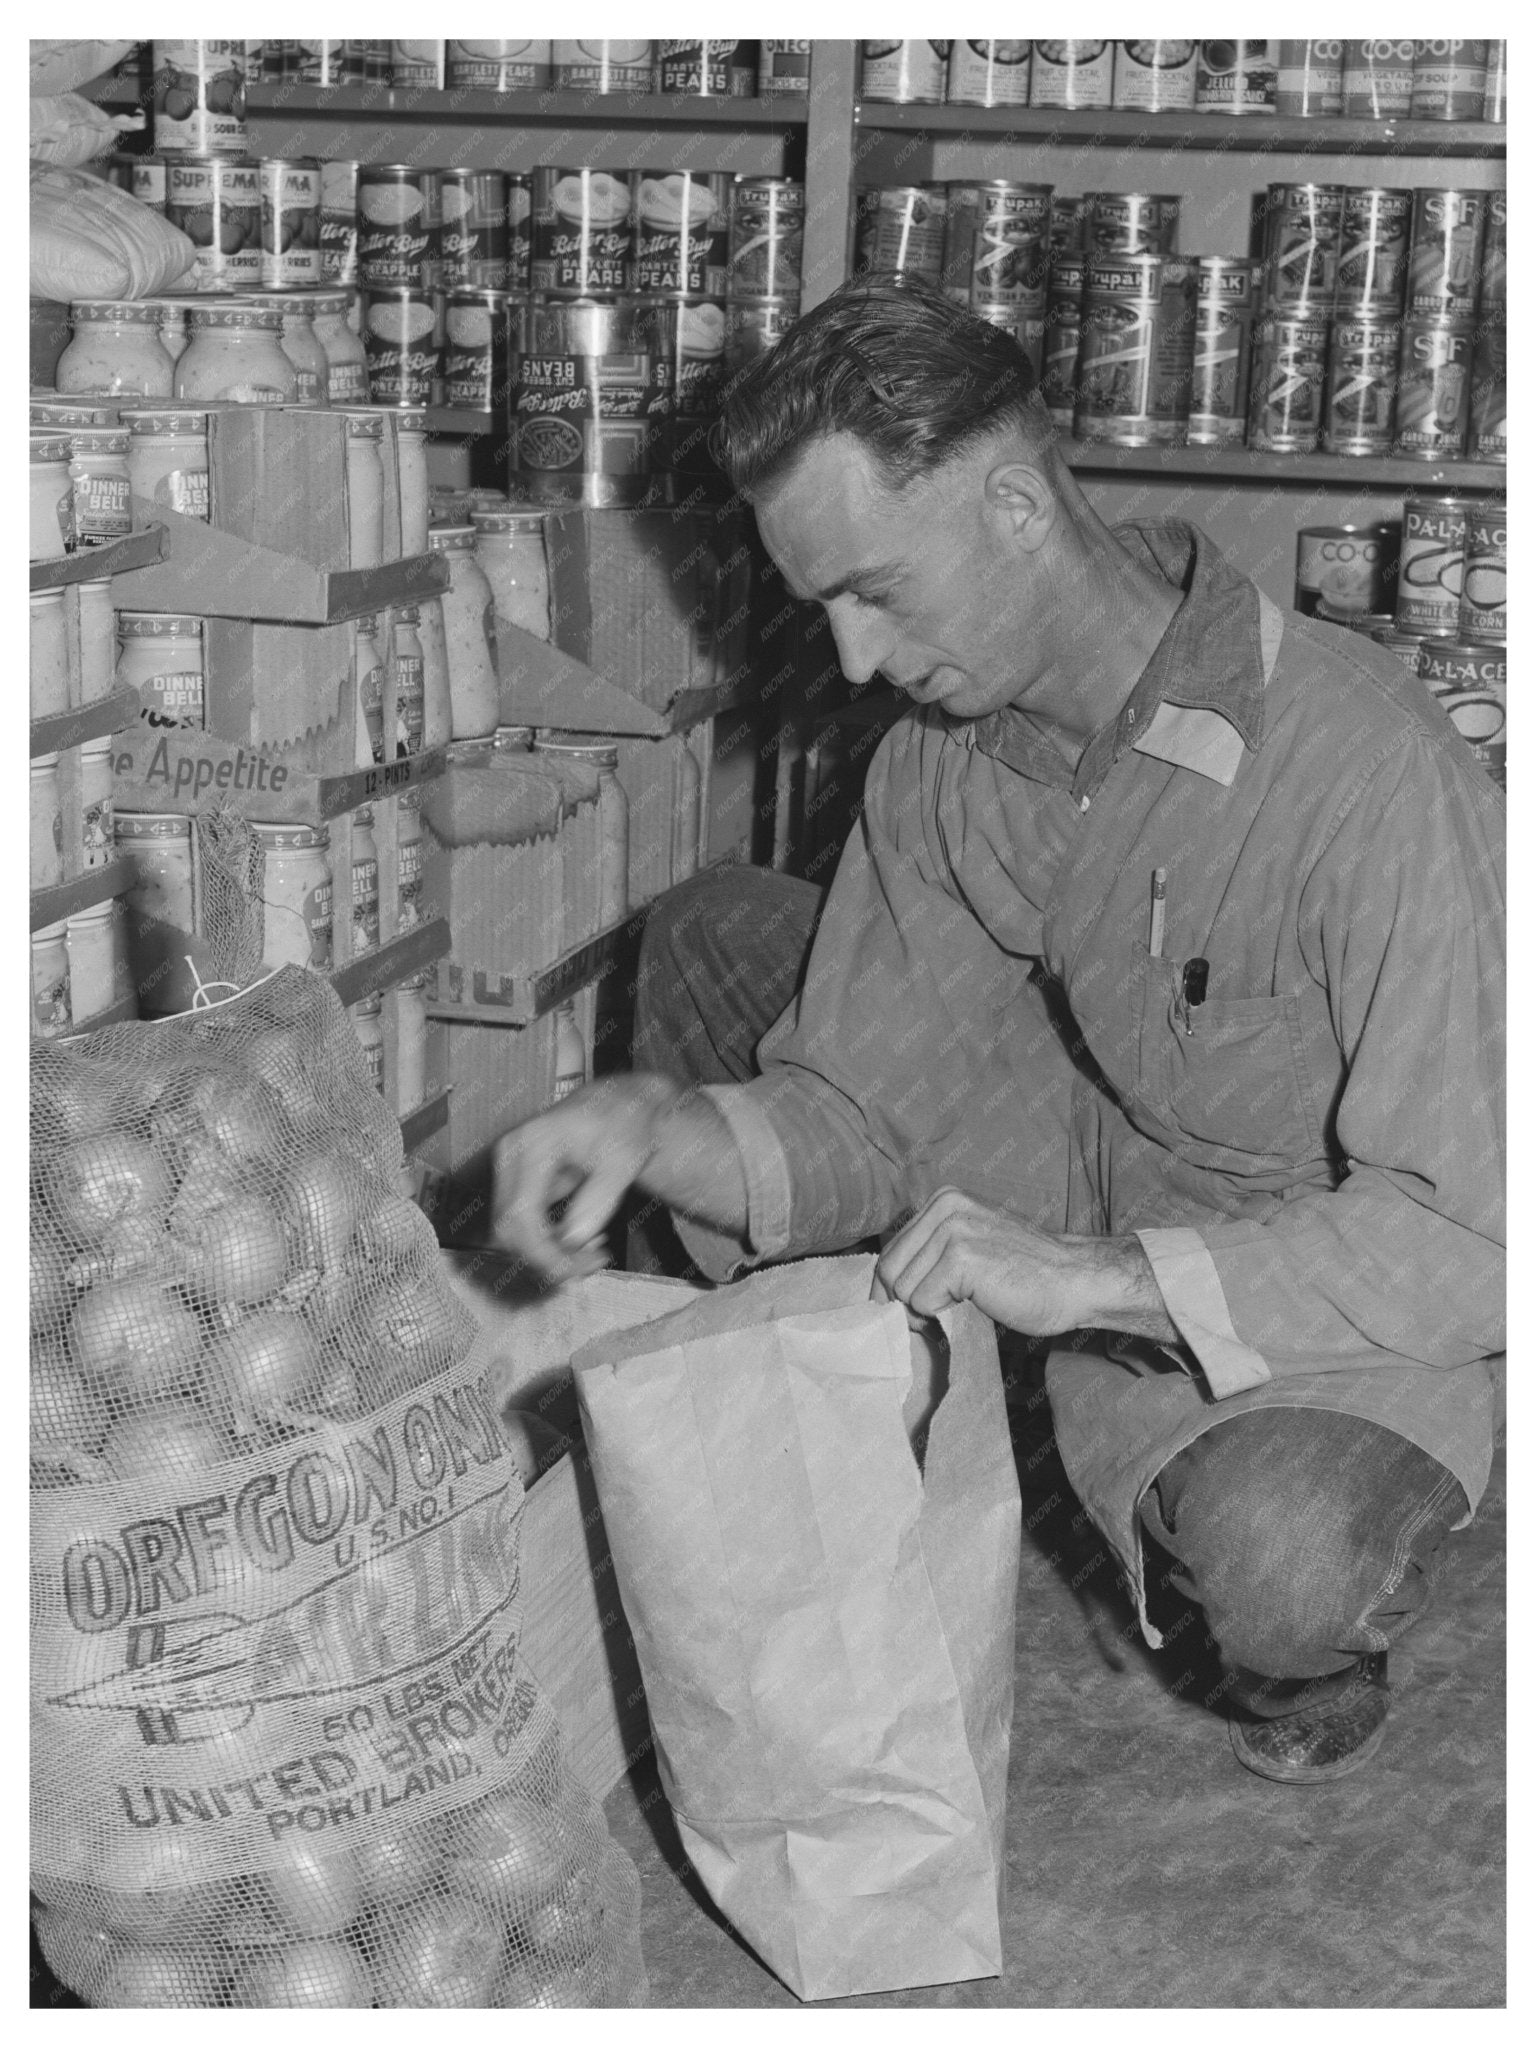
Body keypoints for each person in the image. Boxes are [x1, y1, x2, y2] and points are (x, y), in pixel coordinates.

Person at [493, 275, 1505, 1785]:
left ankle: (1314, 1613)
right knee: (714, 933)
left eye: (876, 592)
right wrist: (649, 1123)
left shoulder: (1372, 772)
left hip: (1301, 1275)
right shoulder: (943, 754)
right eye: (820, 607)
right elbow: (857, 1112)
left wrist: (1096, 1278)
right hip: (1051, 1177)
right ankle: (899, 1401)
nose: (850, 659)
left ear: (1019, 506)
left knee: (1287, 1565)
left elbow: (1482, 1235)